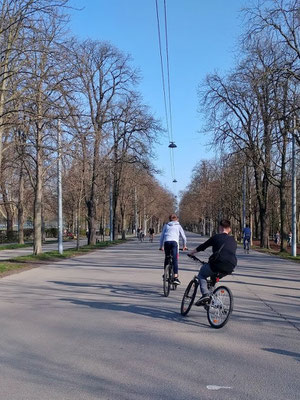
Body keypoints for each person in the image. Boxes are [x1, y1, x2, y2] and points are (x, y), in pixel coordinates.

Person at [188, 219, 237, 304]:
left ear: (220, 227)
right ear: (229, 229)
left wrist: (192, 253)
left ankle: (205, 294)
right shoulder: (233, 240)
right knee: (213, 278)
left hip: (217, 264)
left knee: (202, 275)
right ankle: (213, 301)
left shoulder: (216, 237)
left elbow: (203, 246)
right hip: (231, 266)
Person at [159, 214, 187, 285]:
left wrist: (161, 246)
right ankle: (175, 277)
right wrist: (184, 246)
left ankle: (165, 274)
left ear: (170, 219)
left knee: (167, 257)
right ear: (176, 219)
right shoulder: (178, 226)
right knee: (175, 260)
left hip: (166, 243)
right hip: (174, 243)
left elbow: (162, 236)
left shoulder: (166, 225)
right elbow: (184, 237)